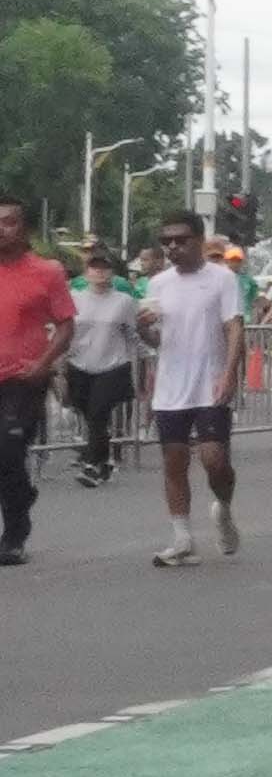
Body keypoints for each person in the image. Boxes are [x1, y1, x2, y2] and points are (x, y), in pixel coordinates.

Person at [135, 211, 249, 569]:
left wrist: (229, 373)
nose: (172, 247)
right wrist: (143, 329)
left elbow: (234, 328)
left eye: (180, 240)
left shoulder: (222, 278)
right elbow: (155, 339)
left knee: (215, 460)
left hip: (210, 382)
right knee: (174, 461)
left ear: (199, 240)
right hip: (171, 387)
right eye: (166, 241)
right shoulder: (158, 284)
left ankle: (224, 508)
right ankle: (182, 538)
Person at [0, 197, 75, 564]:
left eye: (8, 222)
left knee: (8, 449)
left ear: (24, 228)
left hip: (23, 377)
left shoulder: (47, 272)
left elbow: (66, 326)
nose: (0, 229)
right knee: (5, 460)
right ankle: (22, 493)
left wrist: (44, 364)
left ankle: (14, 535)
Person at [64, 241, 135, 484]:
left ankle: (91, 465)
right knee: (91, 416)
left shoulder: (123, 301)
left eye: (104, 268)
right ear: (86, 273)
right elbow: (64, 330)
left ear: (112, 273)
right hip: (80, 364)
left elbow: (132, 332)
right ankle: (104, 462)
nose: (99, 272)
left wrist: (144, 356)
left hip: (112, 365)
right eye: (94, 268)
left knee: (98, 412)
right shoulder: (74, 298)